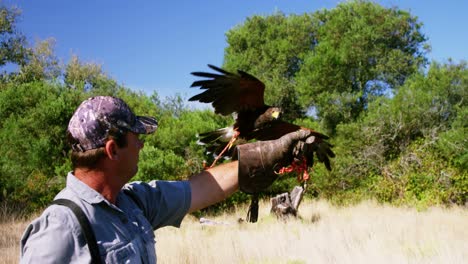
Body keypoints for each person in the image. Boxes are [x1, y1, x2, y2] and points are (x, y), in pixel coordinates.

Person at [19, 95, 312, 263]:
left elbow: (201, 188)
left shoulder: (135, 202)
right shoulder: (59, 231)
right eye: (137, 137)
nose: (142, 145)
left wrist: (269, 155)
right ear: (112, 150)